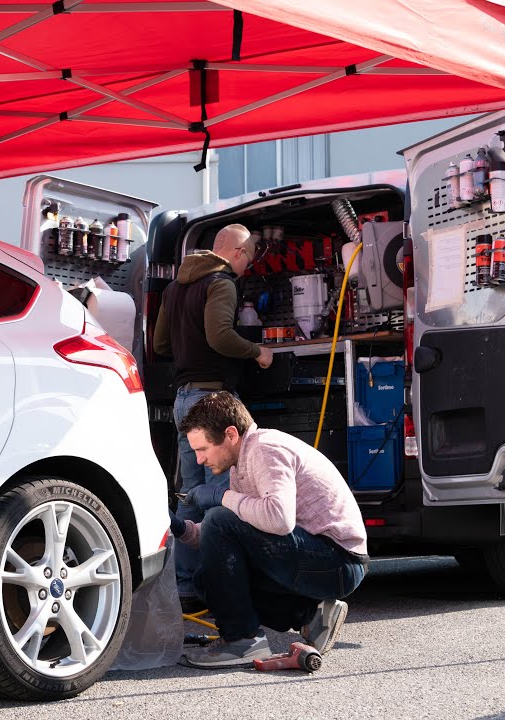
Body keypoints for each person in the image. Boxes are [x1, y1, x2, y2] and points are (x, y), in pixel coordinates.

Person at [172, 391, 369, 668]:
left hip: (339, 560)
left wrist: (221, 498)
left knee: (219, 518)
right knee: (207, 579)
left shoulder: (265, 449)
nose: (200, 459)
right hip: (320, 556)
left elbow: (279, 519)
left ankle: (243, 640)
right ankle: (310, 614)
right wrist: (182, 529)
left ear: (230, 434)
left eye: (203, 449)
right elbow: (231, 532)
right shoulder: (241, 459)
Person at [153, 223, 273, 615]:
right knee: (225, 492)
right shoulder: (221, 283)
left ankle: (186, 585)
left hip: (184, 399)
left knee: (190, 492)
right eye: (249, 257)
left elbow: (160, 344)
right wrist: (256, 351)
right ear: (236, 252)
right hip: (214, 399)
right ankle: (225, 583)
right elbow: (221, 335)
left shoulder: (175, 287)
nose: (247, 266)